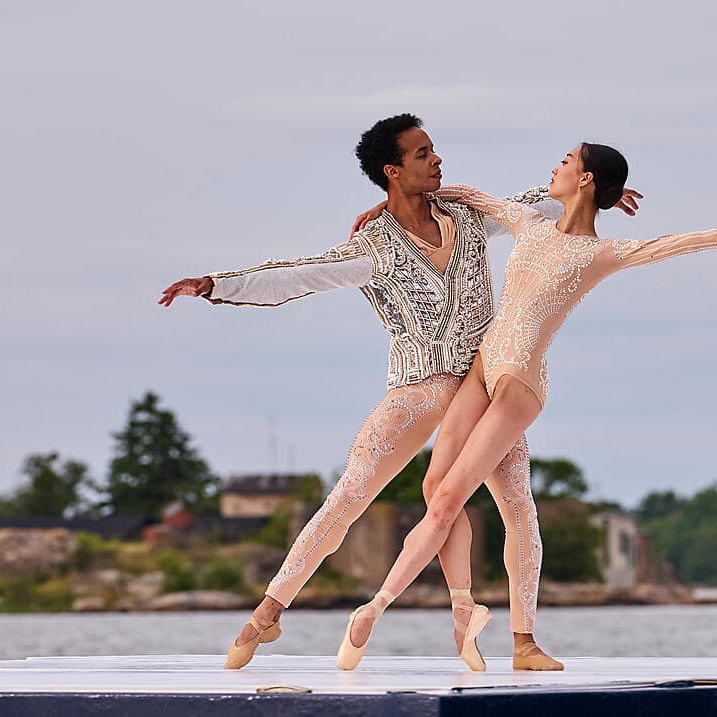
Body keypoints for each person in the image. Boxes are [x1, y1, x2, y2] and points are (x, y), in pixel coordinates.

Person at [159, 117, 640, 672]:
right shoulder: (373, 246)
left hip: (483, 390)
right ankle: (266, 614)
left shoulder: (465, 216)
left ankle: (520, 641)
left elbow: (532, 204)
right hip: (415, 389)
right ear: (392, 170)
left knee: (517, 509)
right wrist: (216, 284)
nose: (437, 160)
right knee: (348, 499)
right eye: (422, 154)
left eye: (433, 150)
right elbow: (299, 274)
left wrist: (601, 193)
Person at [335, 142, 717, 671]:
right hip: (481, 370)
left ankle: (376, 610)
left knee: (451, 502)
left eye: (565, 162)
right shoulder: (529, 224)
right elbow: (462, 193)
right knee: (440, 492)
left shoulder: (598, 254)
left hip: (519, 388)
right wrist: (389, 210)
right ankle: (485, 623)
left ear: (583, 181)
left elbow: (679, 243)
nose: (553, 167)